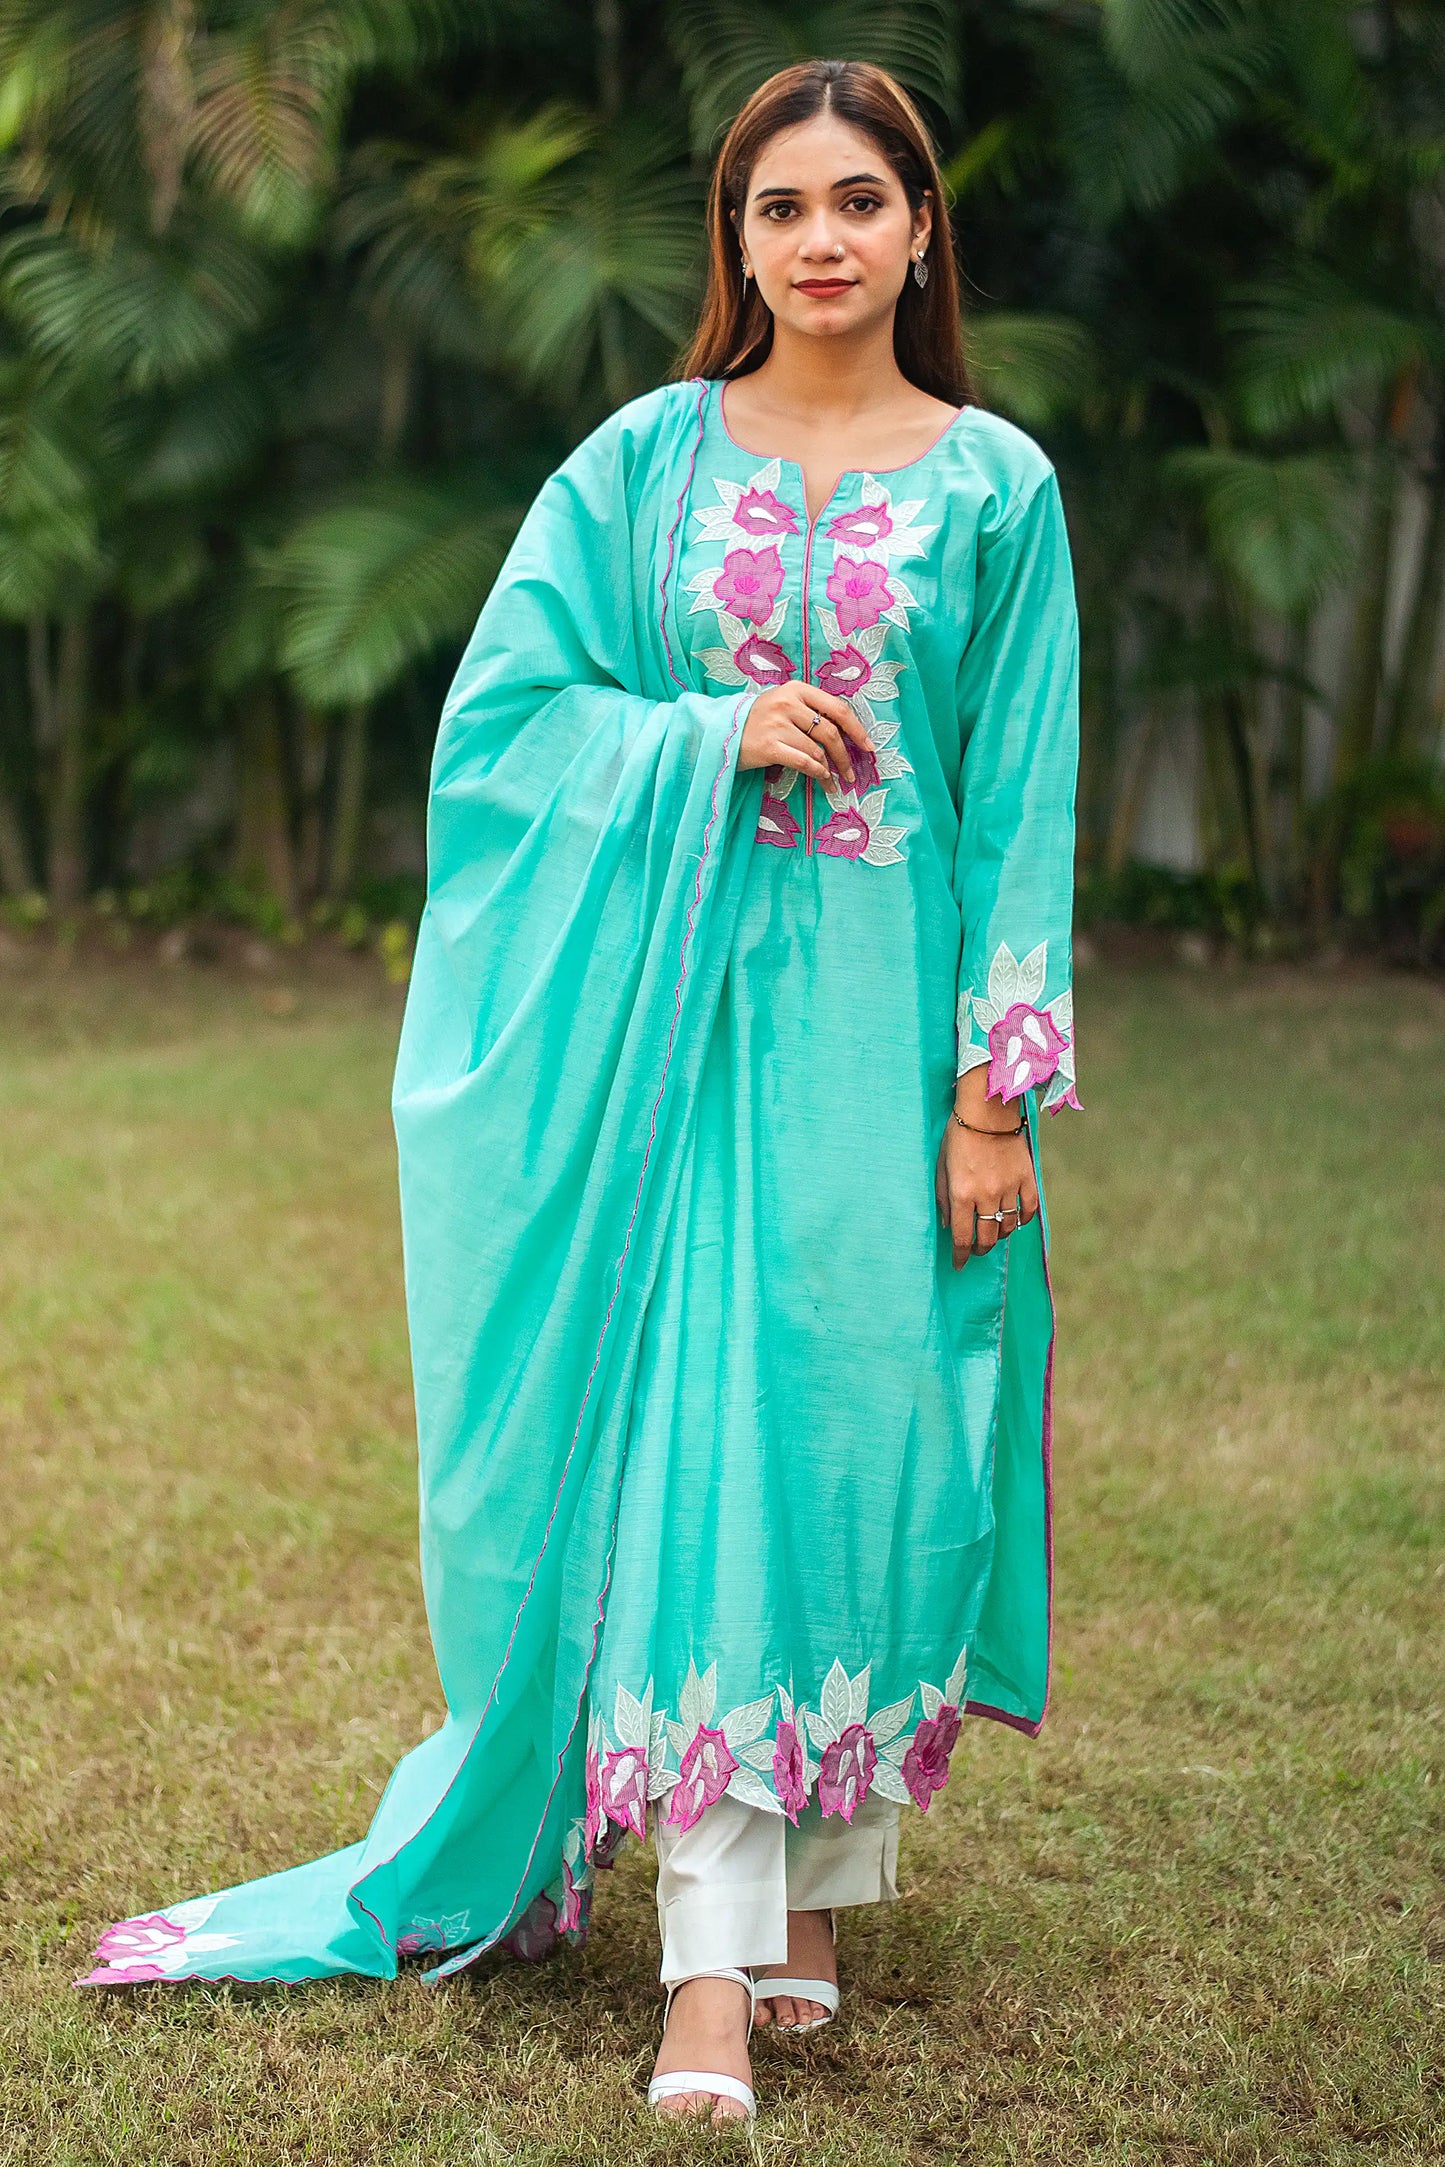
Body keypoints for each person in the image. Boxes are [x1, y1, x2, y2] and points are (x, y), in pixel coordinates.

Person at [79, 58, 1080, 2129]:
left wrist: (995, 1093)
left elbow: (1029, 802)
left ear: (919, 233)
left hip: (888, 1049)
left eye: (860, 201)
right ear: (733, 242)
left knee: (868, 1436)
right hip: (671, 1052)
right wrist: (701, 738)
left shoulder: (1000, 486)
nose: (820, 238)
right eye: (779, 205)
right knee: (711, 1454)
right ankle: (705, 1972)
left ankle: (811, 1892)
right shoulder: (639, 465)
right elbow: (510, 728)